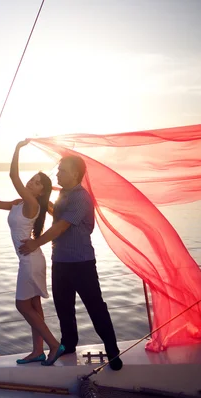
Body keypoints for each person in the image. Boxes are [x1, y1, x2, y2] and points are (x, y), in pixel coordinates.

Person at [19, 154, 123, 371]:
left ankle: (112, 351)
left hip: (81, 263)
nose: (57, 173)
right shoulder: (64, 195)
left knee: (96, 308)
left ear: (75, 173)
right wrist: (37, 197)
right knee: (63, 308)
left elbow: (60, 226)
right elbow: (55, 213)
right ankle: (69, 345)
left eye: (62, 170)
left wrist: (35, 243)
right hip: (61, 262)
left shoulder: (81, 198)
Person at [0, 139, 64, 366]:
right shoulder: (20, 202)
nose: (31, 182)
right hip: (30, 259)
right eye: (32, 179)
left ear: (42, 191)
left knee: (22, 306)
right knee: (33, 306)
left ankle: (53, 345)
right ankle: (37, 351)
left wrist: (16, 149)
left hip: (30, 260)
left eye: (37, 182)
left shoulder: (33, 204)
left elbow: (13, 177)